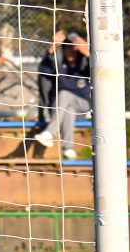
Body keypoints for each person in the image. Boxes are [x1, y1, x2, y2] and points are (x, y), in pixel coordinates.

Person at [33, 30, 91, 160]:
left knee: (64, 94)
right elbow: (44, 70)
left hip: (84, 106)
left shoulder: (85, 65)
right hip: (63, 109)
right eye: (67, 48)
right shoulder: (59, 65)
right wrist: (52, 47)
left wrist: (87, 52)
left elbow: (98, 69)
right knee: (69, 109)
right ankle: (68, 148)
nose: (70, 51)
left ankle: (49, 133)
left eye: (73, 48)